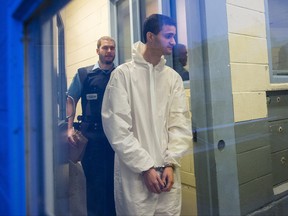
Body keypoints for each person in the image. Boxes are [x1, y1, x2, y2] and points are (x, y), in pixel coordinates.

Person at [101, 14, 192, 216]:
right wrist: (145, 168)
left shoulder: (172, 78)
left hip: (167, 176)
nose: (174, 42)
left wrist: (170, 163)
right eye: (168, 36)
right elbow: (117, 129)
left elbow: (179, 125)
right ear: (150, 37)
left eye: (174, 36)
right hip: (134, 177)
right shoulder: (123, 75)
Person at [66, 36, 116, 216]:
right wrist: (69, 127)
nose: (109, 51)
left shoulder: (121, 74)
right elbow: (71, 99)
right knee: (94, 185)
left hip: (116, 138)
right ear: (97, 51)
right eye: (105, 48)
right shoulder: (84, 74)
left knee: (113, 184)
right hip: (91, 139)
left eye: (112, 48)